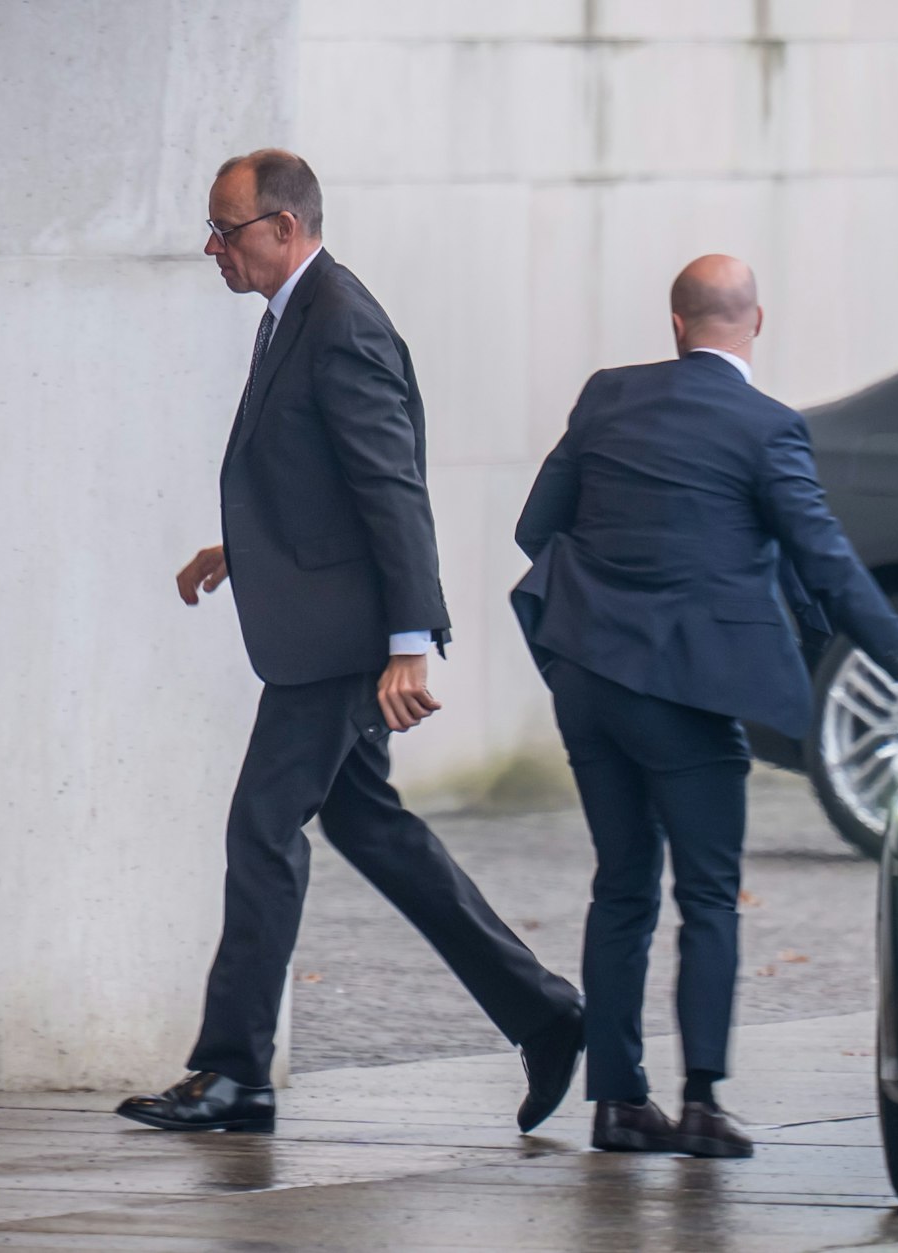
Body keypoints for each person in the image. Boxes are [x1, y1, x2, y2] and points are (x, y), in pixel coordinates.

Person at [118, 150, 583, 1135]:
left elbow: (389, 488)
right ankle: (543, 1012)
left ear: (284, 226)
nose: (212, 246)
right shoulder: (297, 313)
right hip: (327, 625)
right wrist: (237, 549)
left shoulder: (339, 324)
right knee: (371, 827)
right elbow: (317, 481)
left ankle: (235, 1071)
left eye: (227, 228)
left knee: (260, 826)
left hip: (339, 645)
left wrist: (410, 640)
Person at [510, 256, 898, 1158]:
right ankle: (700, 1102)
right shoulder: (768, 428)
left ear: (675, 323)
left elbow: (536, 524)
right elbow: (828, 562)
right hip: (689, 695)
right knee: (707, 896)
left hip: (586, 677)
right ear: (756, 324)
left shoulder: (607, 396)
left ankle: (617, 1102)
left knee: (620, 885)